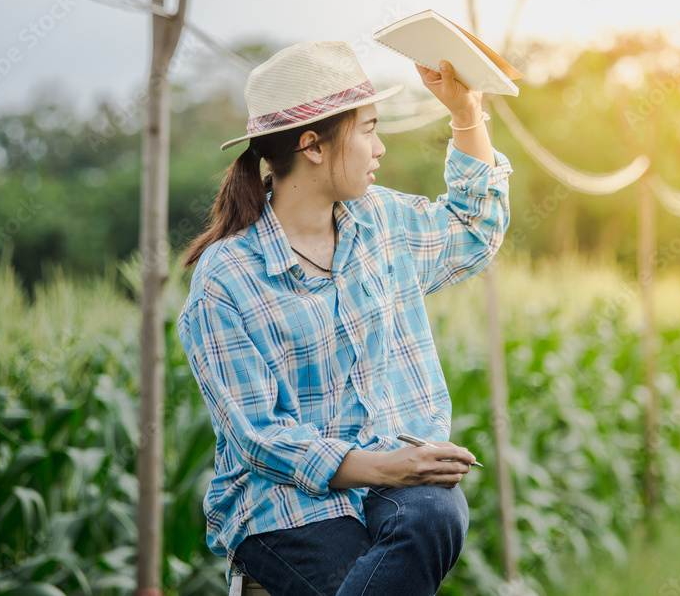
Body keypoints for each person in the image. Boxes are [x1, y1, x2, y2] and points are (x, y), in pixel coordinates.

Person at [176, 39, 513, 595]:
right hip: (285, 504)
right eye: (369, 128)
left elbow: (474, 231)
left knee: (437, 514)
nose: (379, 147)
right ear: (312, 145)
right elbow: (259, 438)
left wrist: (466, 113)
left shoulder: (379, 223)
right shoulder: (227, 277)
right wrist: (387, 469)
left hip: (393, 479)